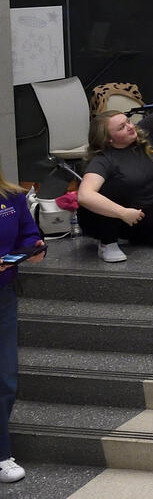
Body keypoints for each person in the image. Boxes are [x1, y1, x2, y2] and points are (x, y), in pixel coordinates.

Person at [78, 54, 153, 262]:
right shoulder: (104, 158)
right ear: (109, 140)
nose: (130, 126)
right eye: (122, 127)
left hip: (141, 210)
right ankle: (108, 241)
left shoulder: (144, 132)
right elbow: (85, 196)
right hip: (106, 214)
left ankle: (124, 233)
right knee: (112, 187)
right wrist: (122, 213)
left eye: (128, 121)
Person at [0, 168, 44, 484]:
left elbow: (27, 234)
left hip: (3, 295)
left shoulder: (12, 196)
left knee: (6, 377)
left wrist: (34, 247)